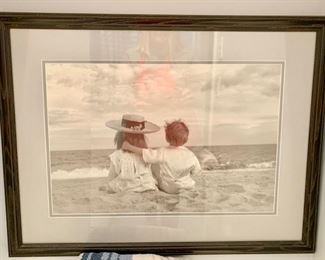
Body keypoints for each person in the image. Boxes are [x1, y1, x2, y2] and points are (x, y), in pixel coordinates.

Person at [122, 120, 201, 194]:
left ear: (167, 137)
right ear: (186, 139)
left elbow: (144, 153)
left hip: (169, 188)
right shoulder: (190, 154)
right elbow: (196, 170)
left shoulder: (162, 152)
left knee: (153, 161)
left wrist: (129, 146)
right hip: (187, 186)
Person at [105, 114, 160, 193]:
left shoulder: (117, 155)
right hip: (148, 186)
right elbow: (154, 174)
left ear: (120, 137)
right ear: (142, 138)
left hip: (129, 189)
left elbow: (111, 178)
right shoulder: (146, 153)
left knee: (107, 187)